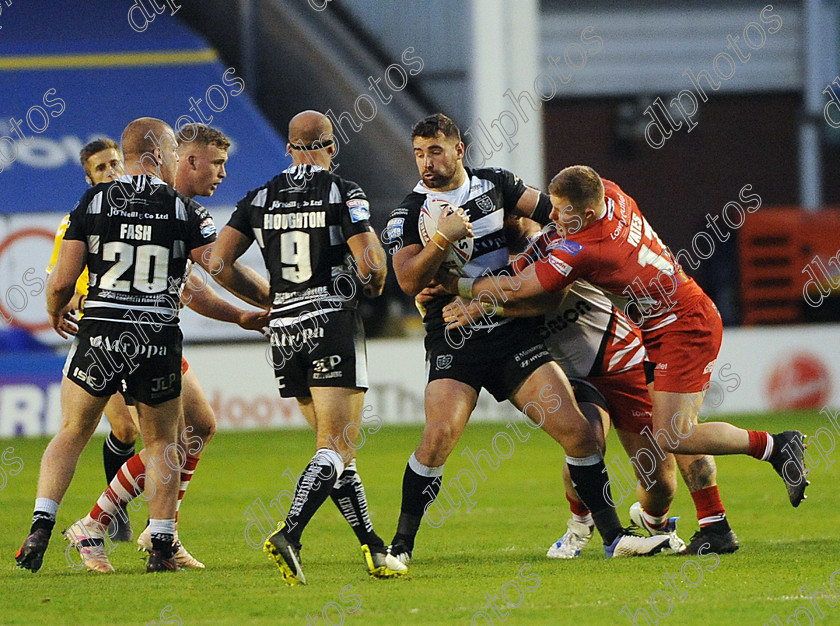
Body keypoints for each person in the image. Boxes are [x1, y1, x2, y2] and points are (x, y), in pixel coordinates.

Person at [440, 165, 808, 553]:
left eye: (562, 210)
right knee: (659, 438)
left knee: (674, 434)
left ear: (585, 215)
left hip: (682, 327)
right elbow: (547, 242)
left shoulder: (584, 247)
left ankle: (775, 446)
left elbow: (526, 288)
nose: (551, 214)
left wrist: (460, 287)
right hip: (658, 326)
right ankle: (710, 526)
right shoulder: (611, 194)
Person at [383, 113, 675, 566]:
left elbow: (559, 217)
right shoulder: (407, 212)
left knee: (579, 434)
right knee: (438, 435)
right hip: (456, 337)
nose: (426, 162)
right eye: (419, 153)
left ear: (459, 150)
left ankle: (614, 537)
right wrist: (442, 239)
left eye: (435, 151)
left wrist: (533, 241)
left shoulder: (497, 185)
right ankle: (400, 547)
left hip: (513, 332)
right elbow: (406, 280)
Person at [13, 117, 259, 573]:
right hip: (155, 333)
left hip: (102, 329)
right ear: (160, 153)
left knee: (72, 431)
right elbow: (219, 268)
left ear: (125, 158)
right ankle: (161, 548)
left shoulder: (93, 201)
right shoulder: (181, 210)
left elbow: (62, 281)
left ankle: (42, 526)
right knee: (164, 441)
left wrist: (55, 308)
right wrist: (266, 298)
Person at [212, 110, 406, 585]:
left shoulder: (259, 197)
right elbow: (369, 260)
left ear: (289, 149)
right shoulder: (344, 191)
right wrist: (376, 279)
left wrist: (269, 298)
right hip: (330, 321)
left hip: (285, 332)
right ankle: (290, 533)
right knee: (337, 444)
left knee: (336, 452)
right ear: (331, 147)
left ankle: (375, 549)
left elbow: (217, 262)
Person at [45, 138, 138, 543]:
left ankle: (114, 516)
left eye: (115, 163)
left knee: (138, 434)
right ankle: (110, 516)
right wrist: (74, 298)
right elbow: (63, 283)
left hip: (143, 338)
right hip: (100, 340)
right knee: (124, 427)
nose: (111, 171)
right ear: (89, 177)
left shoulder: (144, 212)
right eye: (101, 168)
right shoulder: (77, 221)